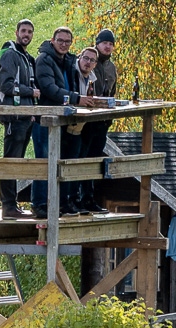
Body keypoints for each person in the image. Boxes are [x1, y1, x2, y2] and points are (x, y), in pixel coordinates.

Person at [31, 27, 95, 216]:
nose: (64, 44)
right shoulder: (44, 59)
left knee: (60, 162)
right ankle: (39, 204)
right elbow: (48, 88)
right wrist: (76, 98)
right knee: (43, 162)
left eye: (67, 41)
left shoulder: (67, 61)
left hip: (62, 119)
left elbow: (71, 86)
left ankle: (59, 203)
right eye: (60, 40)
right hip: (45, 118)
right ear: (52, 40)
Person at [0, 19, 40, 217]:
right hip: (13, 117)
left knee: (18, 161)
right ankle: (8, 206)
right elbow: (6, 86)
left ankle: (12, 205)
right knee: (11, 161)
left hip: (26, 117)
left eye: (30, 32)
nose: (26, 35)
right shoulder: (10, 54)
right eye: (23, 31)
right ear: (16, 32)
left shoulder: (26, 57)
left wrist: (32, 110)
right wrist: (31, 92)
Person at [78, 29, 117, 211]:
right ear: (97, 44)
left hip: (103, 120)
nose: (107, 47)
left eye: (110, 44)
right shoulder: (88, 62)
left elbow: (112, 93)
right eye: (104, 43)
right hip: (86, 120)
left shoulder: (111, 68)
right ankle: (78, 198)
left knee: (95, 160)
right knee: (82, 158)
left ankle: (89, 198)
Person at [71, 48, 105, 212]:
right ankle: (73, 199)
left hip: (88, 123)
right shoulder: (72, 74)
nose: (88, 62)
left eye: (92, 60)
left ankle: (86, 198)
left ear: (95, 64)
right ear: (79, 58)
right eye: (85, 58)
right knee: (74, 161)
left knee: (89, 160)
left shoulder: (92, 78)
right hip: (71, 124)